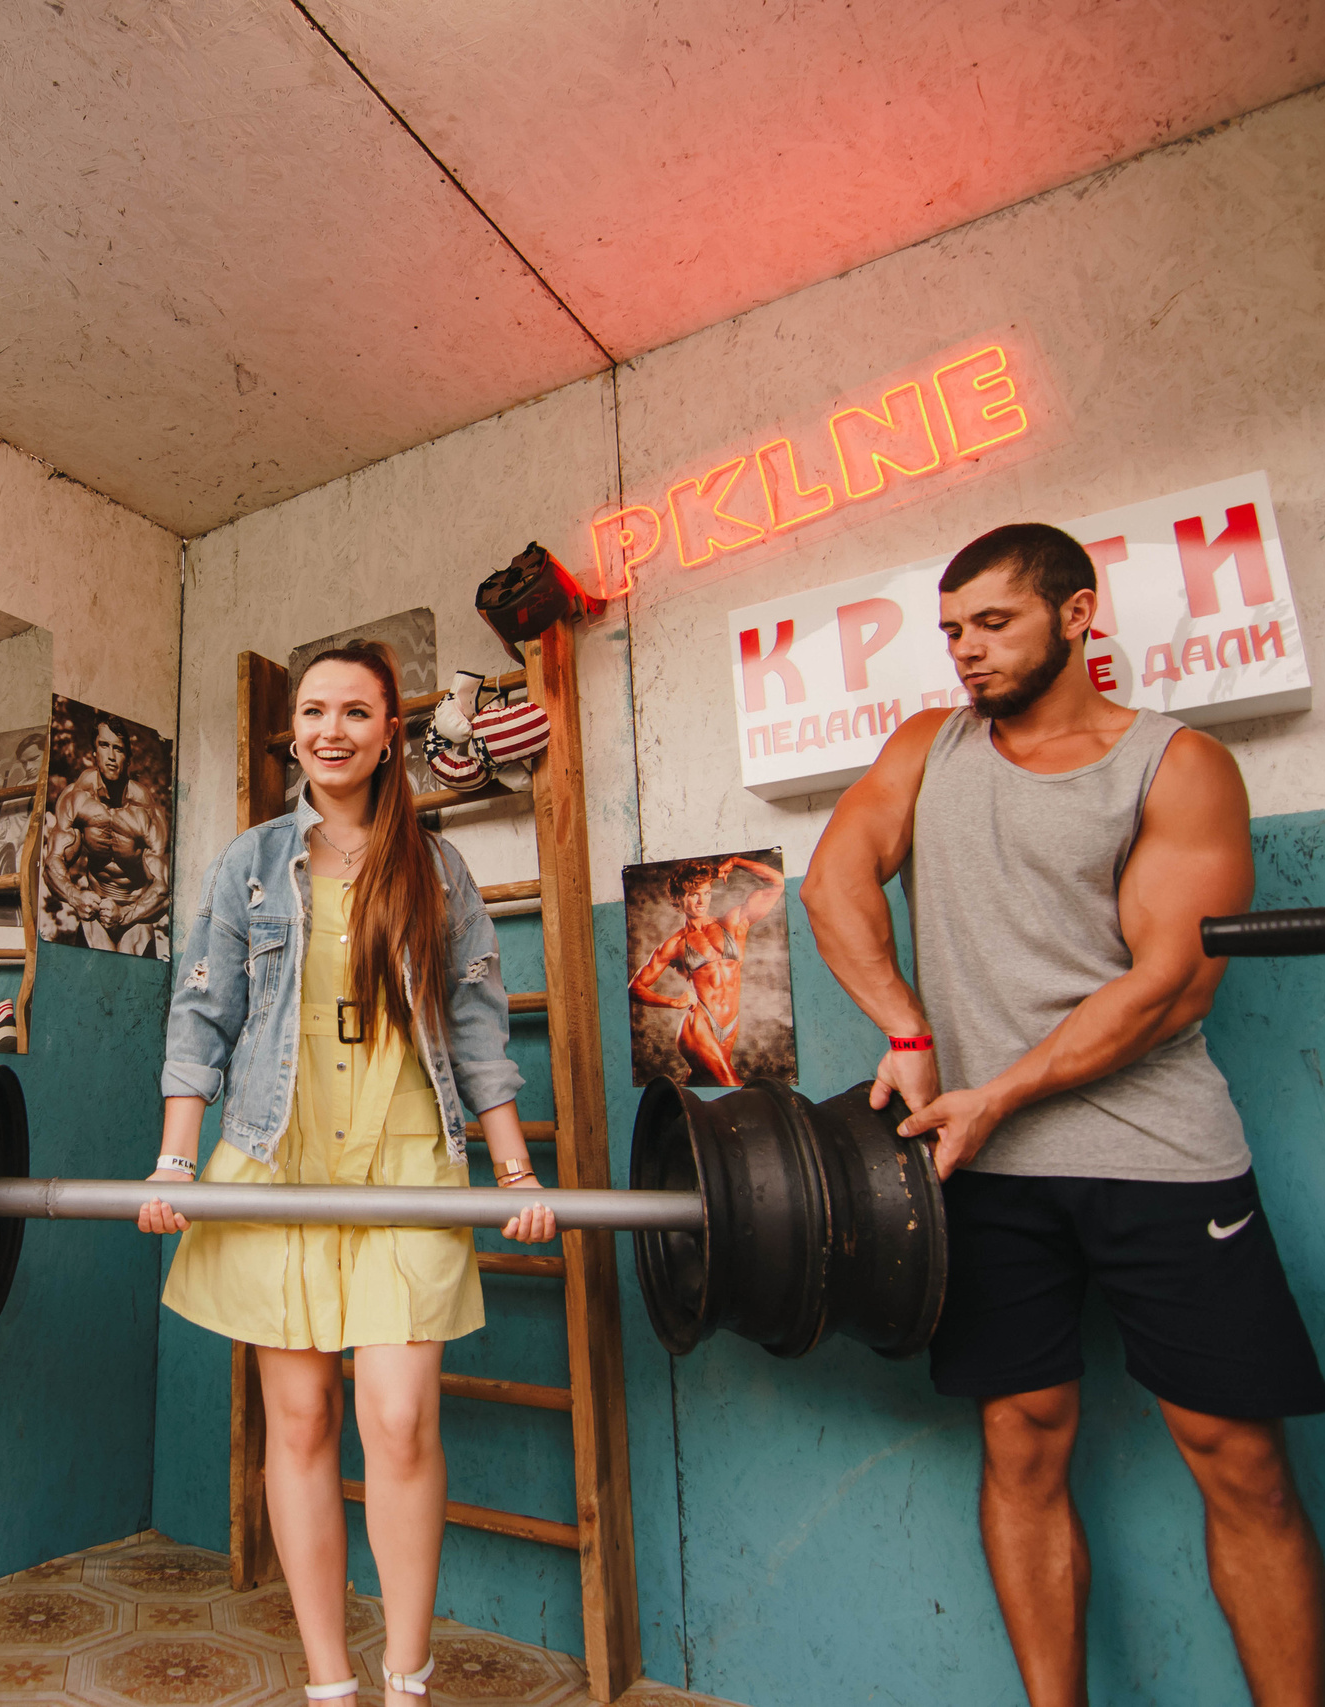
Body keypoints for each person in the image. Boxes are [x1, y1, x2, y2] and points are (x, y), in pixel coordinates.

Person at [799, 523, 1325, 1707]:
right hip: (982, 1175)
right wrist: (905, 1026)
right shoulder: (926, 751)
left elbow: (1171, 984)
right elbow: (833, 878)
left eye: (992, 622)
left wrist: (999, 1091)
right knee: (1020, 1439)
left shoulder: (1173, 764)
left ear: (1077, 615)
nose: (966, 652)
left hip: (1161, 1159)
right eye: (951, 632)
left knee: (1237, 1459)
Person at [138, 642, 557, 1707]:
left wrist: (514, 1172)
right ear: (294, 731)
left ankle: (404, 1679)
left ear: (389, 734)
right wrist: (176, 1158)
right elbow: (202, 1016)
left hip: (407, 1154)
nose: (331, 730)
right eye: (313, 711)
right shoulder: (248, 862)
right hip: (278, 1153)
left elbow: (475, 1032)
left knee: (400, 1417)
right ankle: (329, 1683)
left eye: (355, 712)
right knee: (299, 1423)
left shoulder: (437, 869)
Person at [625, 854, 784, 1086]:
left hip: (730, 1025)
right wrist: (672, 1002)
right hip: (699, 1025)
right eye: (694, 895)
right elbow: (635, 988)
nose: (702, 901)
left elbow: (777, 882)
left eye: (707, 893)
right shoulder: (675, 945)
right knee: (732, 1087)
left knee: (703, 1083)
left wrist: (737, 862)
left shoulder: (733, 922)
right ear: (679, 899)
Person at [41, 713, 170, 953]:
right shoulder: (77, 800)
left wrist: (125, 915)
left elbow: (163, 889)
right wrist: (75, 896)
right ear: (94, 752)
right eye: (104, 746)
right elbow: (52, 864)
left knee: (132, 953)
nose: (111, 756)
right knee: (96, 965)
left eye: (118, 749)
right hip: (96, 912)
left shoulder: (146, 812)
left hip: (135, 913)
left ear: (128, 758)